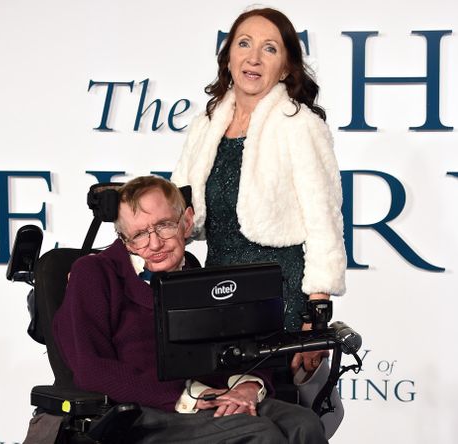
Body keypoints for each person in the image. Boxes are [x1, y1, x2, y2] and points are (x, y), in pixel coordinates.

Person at [53, 175, 328, 443]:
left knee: (304, 424)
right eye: (138, 235)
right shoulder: (94, 273)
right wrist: (189, 399)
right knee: (259, 435)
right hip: (146, 410)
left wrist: (247, 386)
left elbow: (241, 348)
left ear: (186, 222)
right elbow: (91, 368)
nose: (155, 244)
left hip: (216, 395)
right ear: (124, 239)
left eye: (164, 226)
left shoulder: (198, 276)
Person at [171, 7, 346, 375]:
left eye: (269, 48)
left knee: (269, 410)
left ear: (285, 67)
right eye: (244, 44)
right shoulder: (204, 126)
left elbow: (323, 223)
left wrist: (315, 318)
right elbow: (177, 212)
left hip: (280, 297)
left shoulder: (300, 125)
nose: (253, 57)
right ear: (229, 56)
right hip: (216, 293)